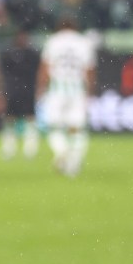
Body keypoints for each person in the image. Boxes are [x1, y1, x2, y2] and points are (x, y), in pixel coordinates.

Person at [36, 18, 97, 177]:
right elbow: (89, 69)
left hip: (57, 88)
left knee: (54, 126)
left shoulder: (53, 41)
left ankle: (61, 150)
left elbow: (45, 67)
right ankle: (74, 165)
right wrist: (90, 91)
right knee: (76, 128)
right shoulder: (84, 42)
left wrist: (41, 88)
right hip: (77, 89)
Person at [0, 29, 41, 159]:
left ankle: (30, 148)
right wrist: (2, 93)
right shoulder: (7, 55)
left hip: (28, 91)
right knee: (10, 120)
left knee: (30, 119)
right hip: (12, 91)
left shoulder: (33, 55)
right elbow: (2, 75)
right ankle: (9, 148)